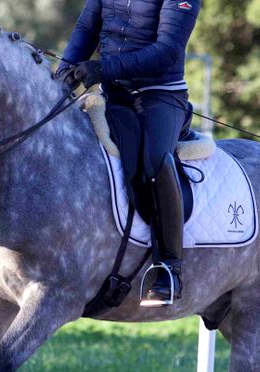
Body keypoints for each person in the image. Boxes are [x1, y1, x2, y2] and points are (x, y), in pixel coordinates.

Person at [58, 0, 200, 307]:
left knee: (153, 160)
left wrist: (101, 68)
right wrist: (62, 74)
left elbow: (167, 50)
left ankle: (169, 268)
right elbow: (86, 28)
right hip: (115, 96)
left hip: (161, 95)